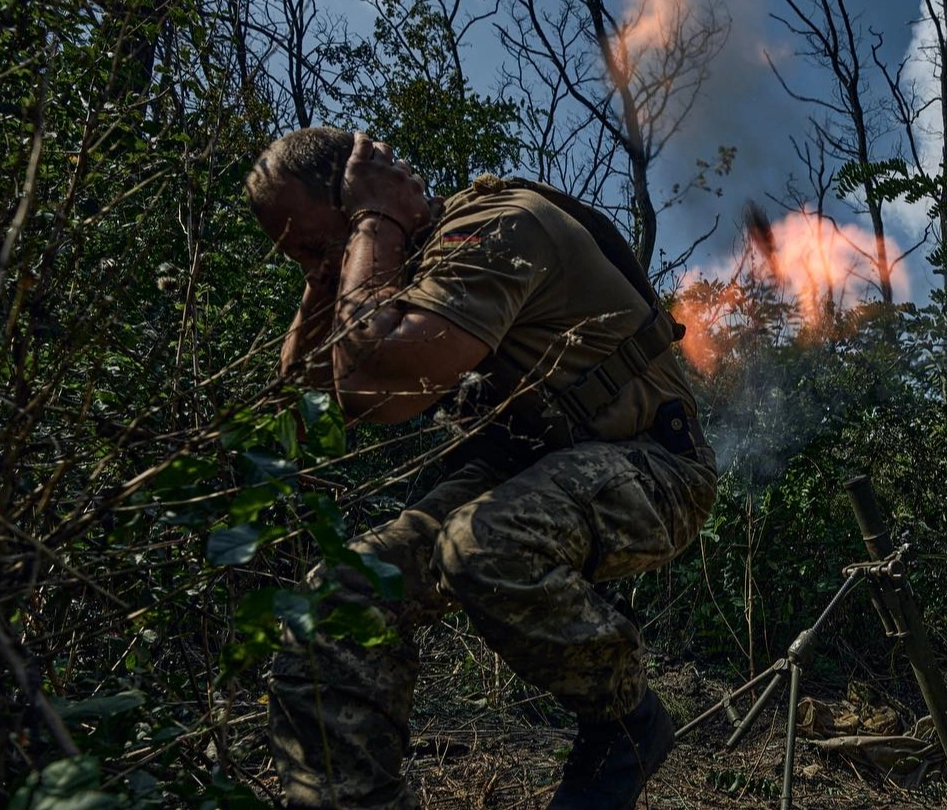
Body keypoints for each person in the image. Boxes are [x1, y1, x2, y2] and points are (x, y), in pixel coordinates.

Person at [244, 126, 717, 810]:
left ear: (358, 206)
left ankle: (625, 723)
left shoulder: (499, 229)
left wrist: (374, 224)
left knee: (481, 544)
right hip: (522, 467)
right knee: (338, 597)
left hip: (655, 468)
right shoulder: (393, 262)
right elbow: (313, 409)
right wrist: (326, 279)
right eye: (301, 259)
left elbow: (383, 375)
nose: (323, 268)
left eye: (323, 249)